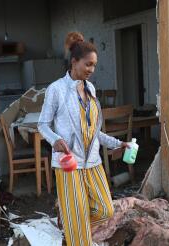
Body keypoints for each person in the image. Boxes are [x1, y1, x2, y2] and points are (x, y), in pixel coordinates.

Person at [38, 32, 130, 246]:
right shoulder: (56, 90)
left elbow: (94, 131)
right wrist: (54, 140)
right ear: (74, 62)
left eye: (94, 66)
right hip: (69, 164)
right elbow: (42, 124)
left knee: (105, 210)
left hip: (93, 163)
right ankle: (73, 229)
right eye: (88, 64)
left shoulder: (90, 89)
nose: (92, 70)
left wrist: (118, 144)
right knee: (78, 231)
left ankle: (70, 224)